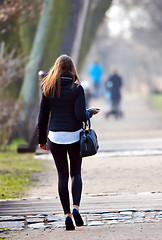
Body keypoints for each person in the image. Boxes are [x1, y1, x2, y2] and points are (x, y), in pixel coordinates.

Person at [37, 54, 100, 231]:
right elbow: (80, 116)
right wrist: (90, 112)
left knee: (62, 176)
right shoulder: (77, 89)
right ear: (72, 69)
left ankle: (67, 216)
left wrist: (41, 140)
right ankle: (76, 208)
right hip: (73, 136)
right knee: (76, 174)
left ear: (56, 68)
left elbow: (42, 118)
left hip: (55, 137)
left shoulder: (47, 88)